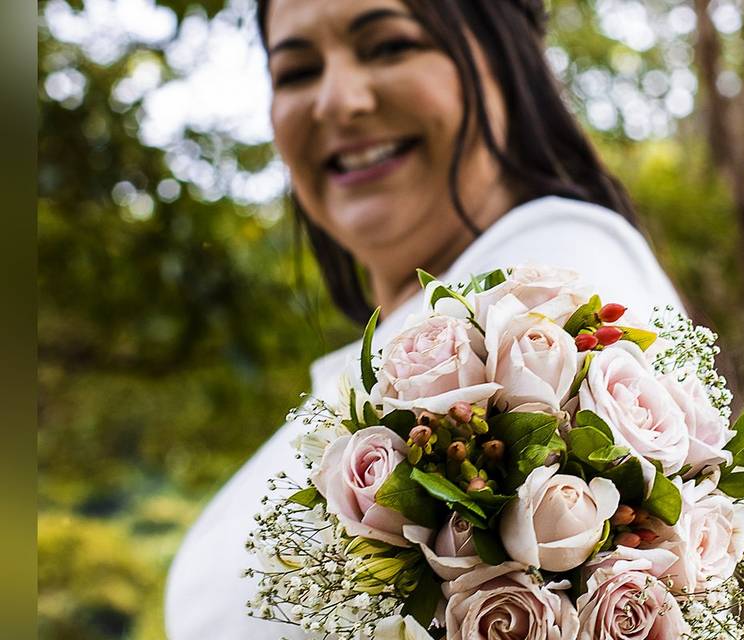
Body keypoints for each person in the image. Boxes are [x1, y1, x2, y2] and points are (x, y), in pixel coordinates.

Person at [164, 0, 683, 637]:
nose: (337, 100)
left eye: (388, 46)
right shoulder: (394, 348)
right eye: (297, 71)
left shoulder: (557, 286)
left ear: (503, 57)